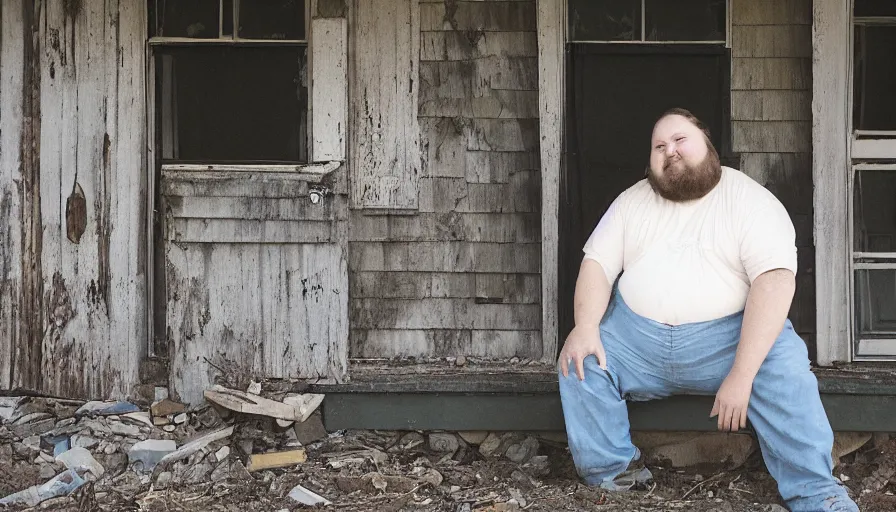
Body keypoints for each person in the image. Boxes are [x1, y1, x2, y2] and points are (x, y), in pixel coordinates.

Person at [557, 108, 858, 512]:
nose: (671, 151)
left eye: (680, 140)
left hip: (729, 341)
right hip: (636, 340)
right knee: (581, 358)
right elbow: (596, 264)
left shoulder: (750, 200)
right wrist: (586, 325)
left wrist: (741, 374)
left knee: (786, 369)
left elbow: (775, 282)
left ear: (707, 143)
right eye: (659, 146)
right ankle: (613, 476)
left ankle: (816, 493)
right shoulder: (631, 202)